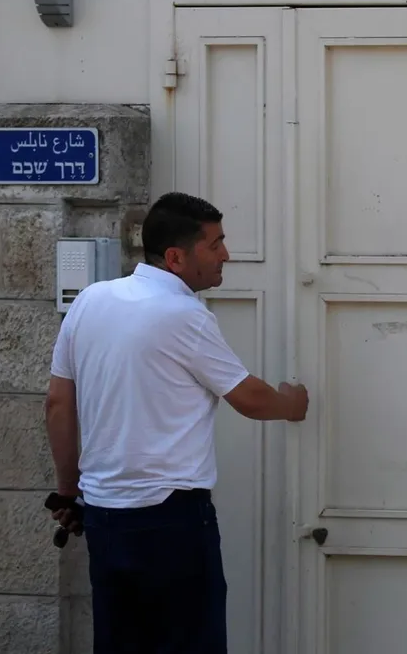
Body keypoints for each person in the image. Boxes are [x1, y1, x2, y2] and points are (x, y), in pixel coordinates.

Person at [44, 191, 309, 653]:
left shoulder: (90, 301)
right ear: (175, 258)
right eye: (215, 245)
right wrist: (293, 403)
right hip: (171, 523)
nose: (226, 255)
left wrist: (69, 492)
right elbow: (249, 399)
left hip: (105, 518)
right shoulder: (185, 315)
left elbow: (57, 404)